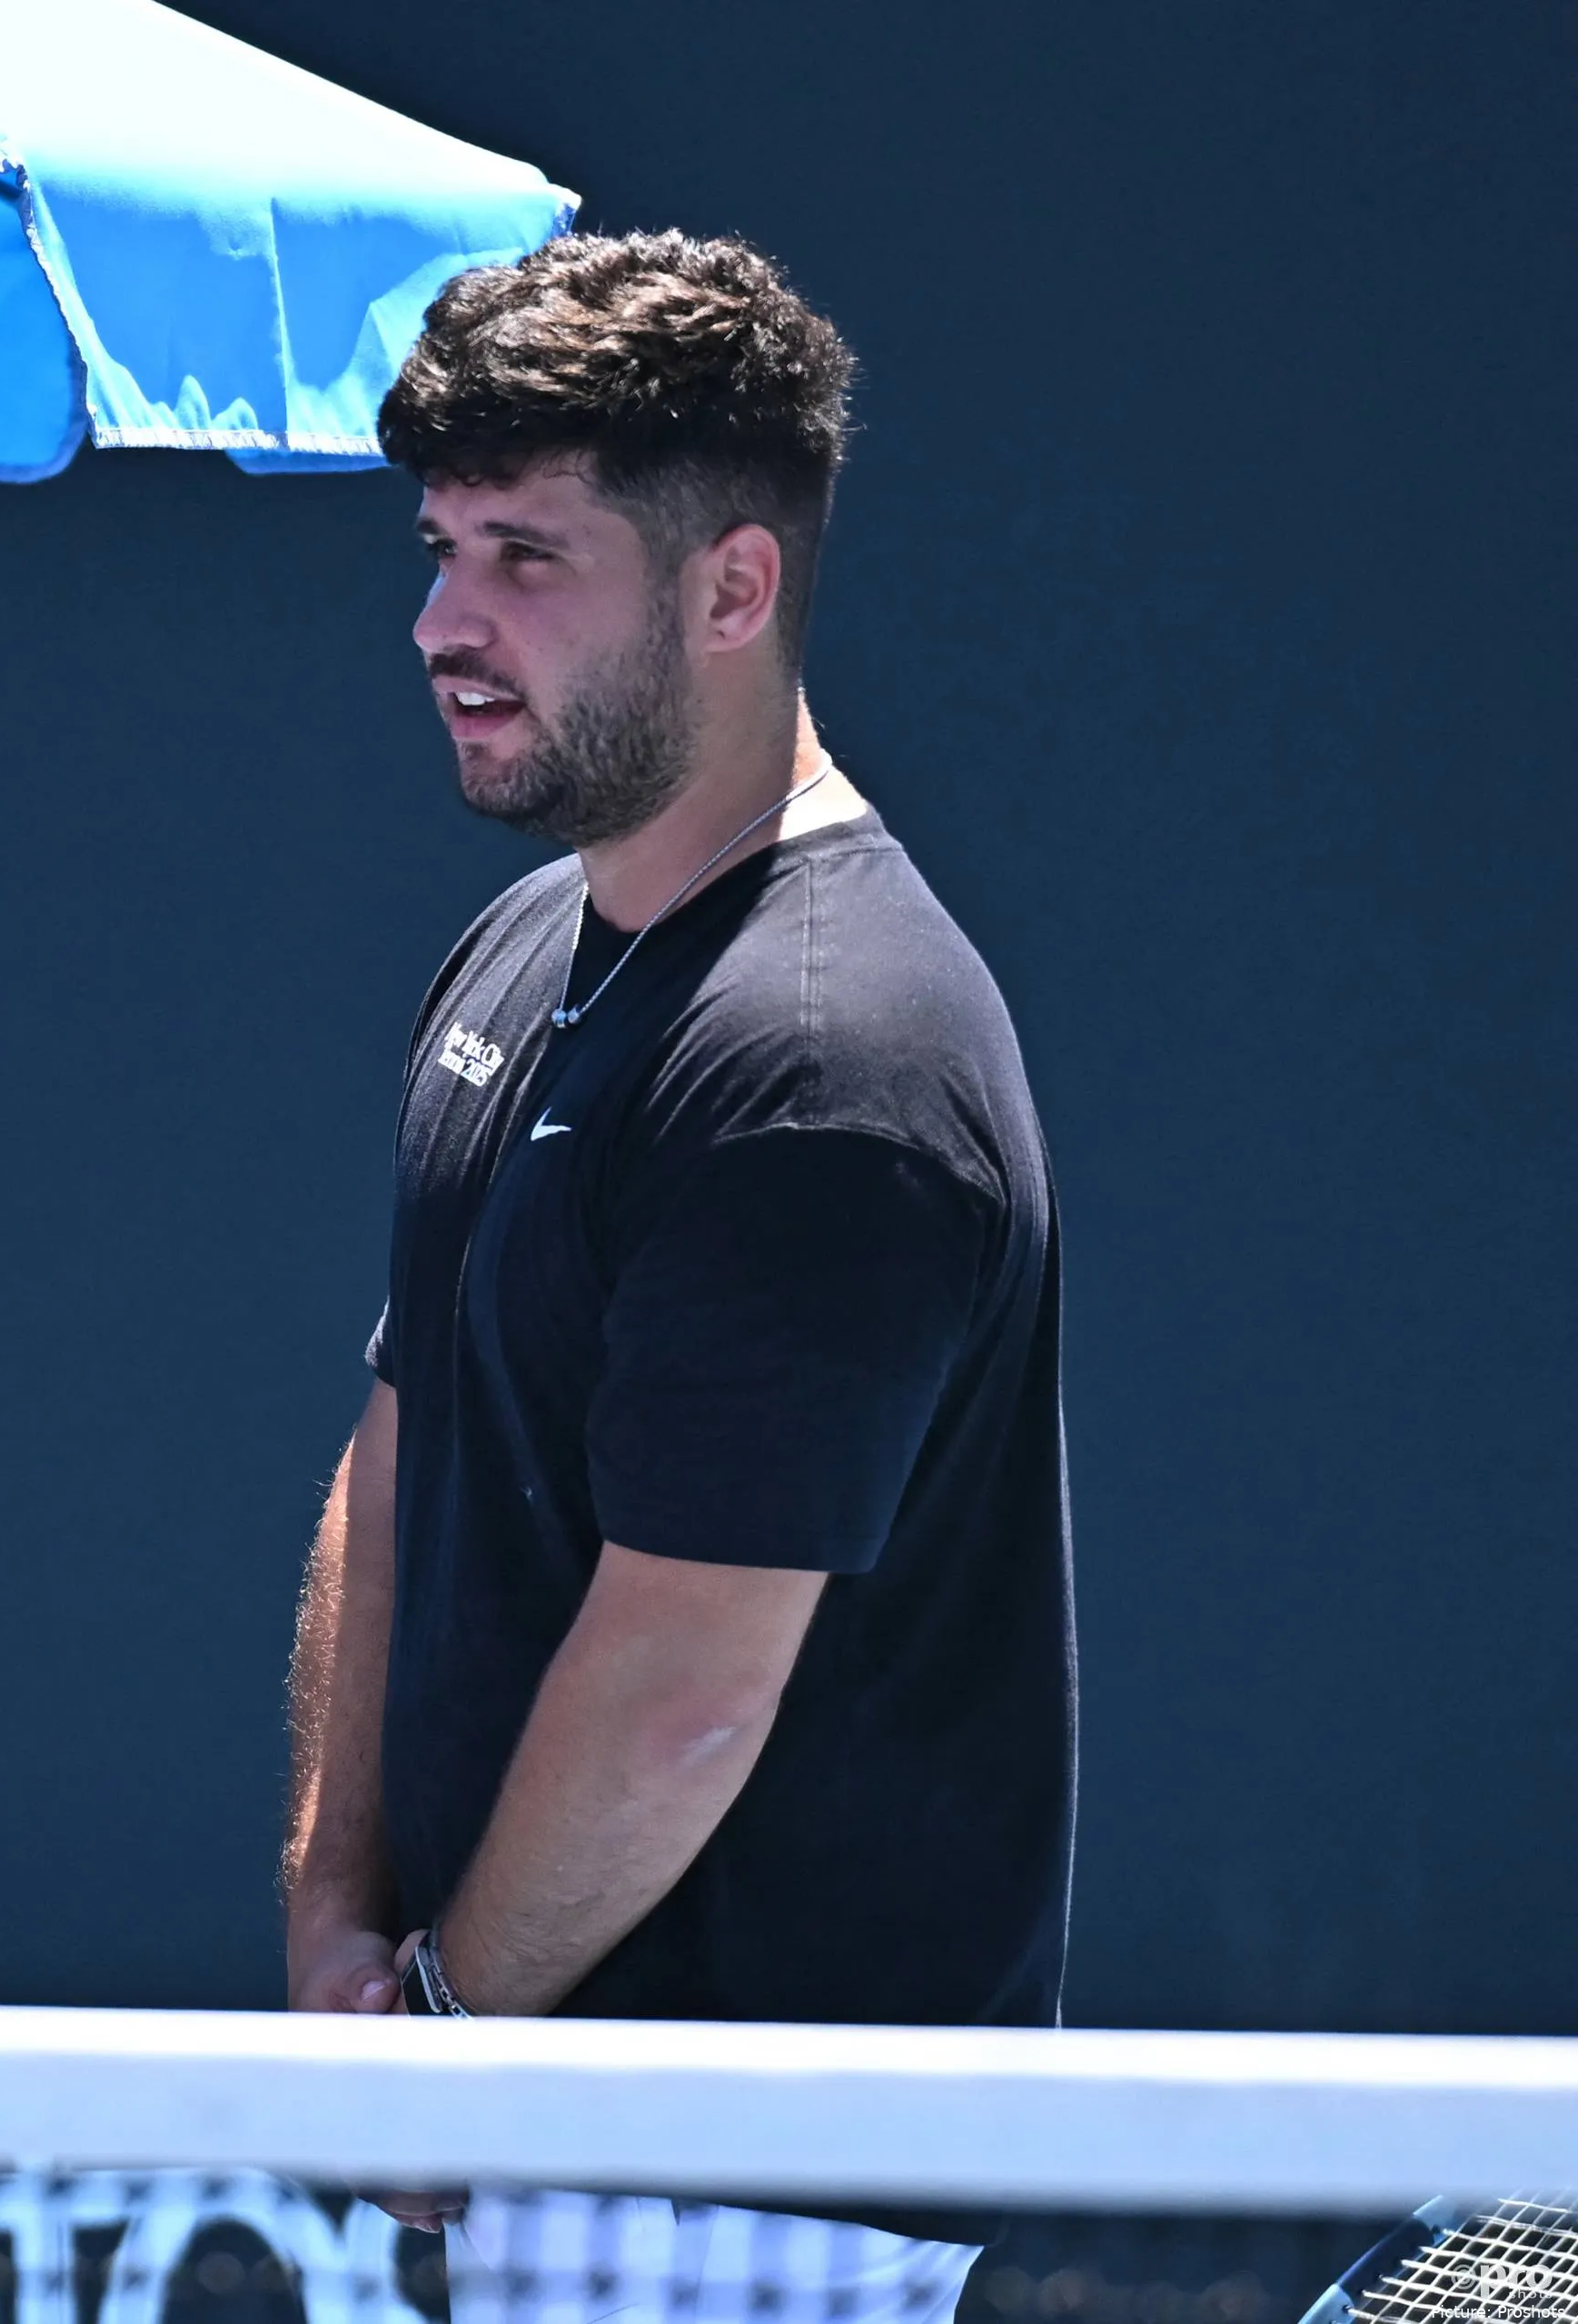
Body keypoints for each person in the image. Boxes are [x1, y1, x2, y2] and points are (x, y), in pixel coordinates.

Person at [279, 232, 1075, 2324]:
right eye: (441, 546)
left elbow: (687, 1687)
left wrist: (447, 2033)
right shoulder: (521, 947)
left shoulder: (833, 1057)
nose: (445, 623)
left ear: (736, 589)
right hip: (527, 2131)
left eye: (527, 557)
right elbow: (403, 1445)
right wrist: (338, 1926)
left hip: (767, 2206)